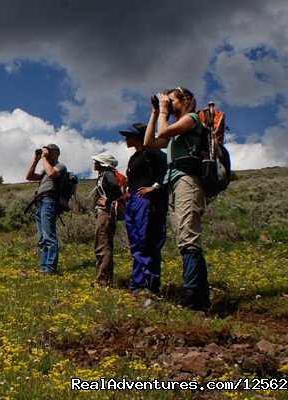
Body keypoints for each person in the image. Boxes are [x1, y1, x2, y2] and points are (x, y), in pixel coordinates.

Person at [143, 86, 211, 312]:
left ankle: (191, 293)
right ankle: (200, 297)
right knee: (184, 237)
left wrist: (163, 112)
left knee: (188, 237)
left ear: (185, 100)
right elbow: (150, 143)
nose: (169, 106)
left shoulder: (191, 119)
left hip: (188, 181)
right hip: (176, 182)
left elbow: (163, 133)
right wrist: (155, 112)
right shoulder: (175, 130)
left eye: (172, 101)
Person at [119, 123, 168, 294]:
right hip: (133, 200)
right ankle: (138, 283)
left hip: (146, 201)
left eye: (129, 135)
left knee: (146, 239)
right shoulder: (134, 158)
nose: (126, 139)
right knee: (136, 242)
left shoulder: (152, 151)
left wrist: (154, 187)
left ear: (139, 136)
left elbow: (167, 169)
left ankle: (150, 283)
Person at [25, 144, 67, 274]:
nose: (46, 153)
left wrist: (43, 158)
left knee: (49, 237)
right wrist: (36, 160)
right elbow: (29, 176)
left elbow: (51, 173)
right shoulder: (44, 169)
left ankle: (50, 268)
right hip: (41, 203)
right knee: (42, 239)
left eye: (49, 151)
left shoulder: (60, 166)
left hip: (49, 201)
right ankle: (44, 268)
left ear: (56, 153)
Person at [89, 152, 122, 286]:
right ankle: (105, 279)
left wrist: (107, 201)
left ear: (103, 164)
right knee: (103, 244)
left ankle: (103, 281)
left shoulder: (108, 173)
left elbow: (115, 188)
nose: (94, 163)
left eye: (97, 161)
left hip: (106, 213)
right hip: (105, 213)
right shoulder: (105, 174)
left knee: (103, 245)